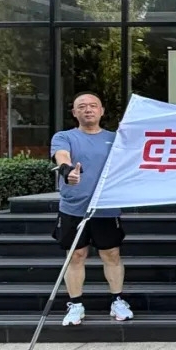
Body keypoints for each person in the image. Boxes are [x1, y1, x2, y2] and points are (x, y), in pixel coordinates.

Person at [50, 92, 131, 326]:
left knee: (111, 254)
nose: (88, 110)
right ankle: (75, 305)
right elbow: (61, 156)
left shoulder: (116, 139)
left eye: (93, 106)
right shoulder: (64, 136)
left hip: (106, 207)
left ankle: (117, 300)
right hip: (73, 208)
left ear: (102, 111)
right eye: (82, 106)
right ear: (74, 112)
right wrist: (67, 171)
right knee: (75, 255)